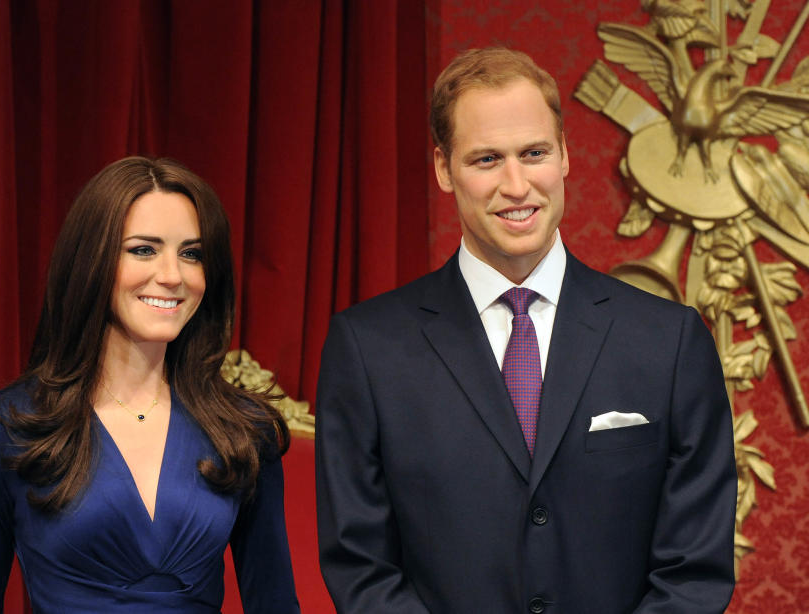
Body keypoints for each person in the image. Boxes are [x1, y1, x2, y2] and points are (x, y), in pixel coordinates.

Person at [315, 48, 736, 613]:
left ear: (563, 154)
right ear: (443, 168)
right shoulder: (367, 348)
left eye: (534, 153)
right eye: (487, 160)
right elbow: (361, 567)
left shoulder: (671, 341)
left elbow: (695, 573)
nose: (516, 185)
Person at [0, 157, 300, 613]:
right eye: (144, 250)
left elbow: (275, 603)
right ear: (92, 261)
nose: (172, 275)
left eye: (191, 253)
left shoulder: (244, 429)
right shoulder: (4, 429)